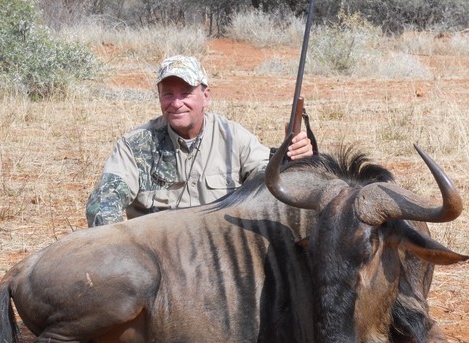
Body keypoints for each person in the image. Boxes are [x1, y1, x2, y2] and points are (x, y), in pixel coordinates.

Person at [86, 55, 314, 227]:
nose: (176, 103)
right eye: (168, 94)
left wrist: (294, 160)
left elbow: (268, 182)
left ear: (205, 97)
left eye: (185, 93)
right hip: (156, 258)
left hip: (218, 259)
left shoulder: (234, 137)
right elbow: (102, 204)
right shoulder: (135, 145)